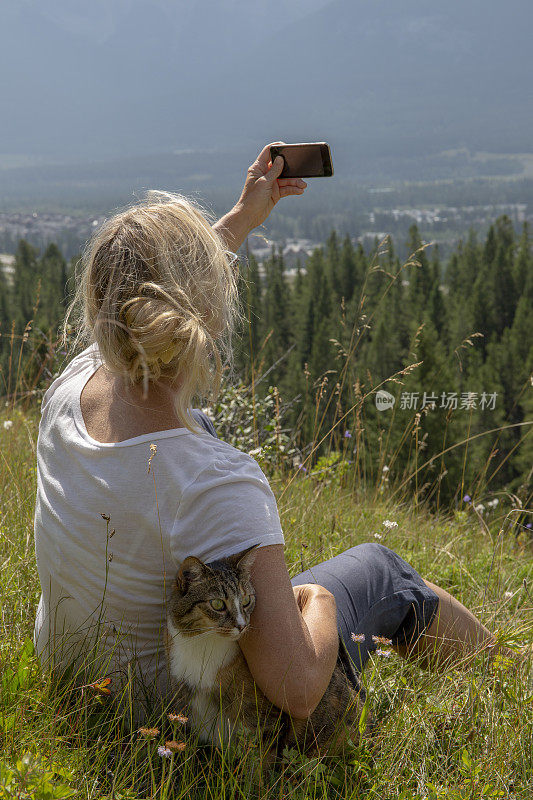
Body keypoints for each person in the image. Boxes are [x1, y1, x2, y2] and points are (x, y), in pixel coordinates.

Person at [33, 142, 508, 725]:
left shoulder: (68, 389)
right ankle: (509, 687)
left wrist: (239, 218)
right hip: (187, 713)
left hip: (81, 682)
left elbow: (148, 298)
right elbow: (297, 688)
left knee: (197, 424)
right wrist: (322, 601)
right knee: (383, 569)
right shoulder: (218, 483)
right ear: (205, 312)